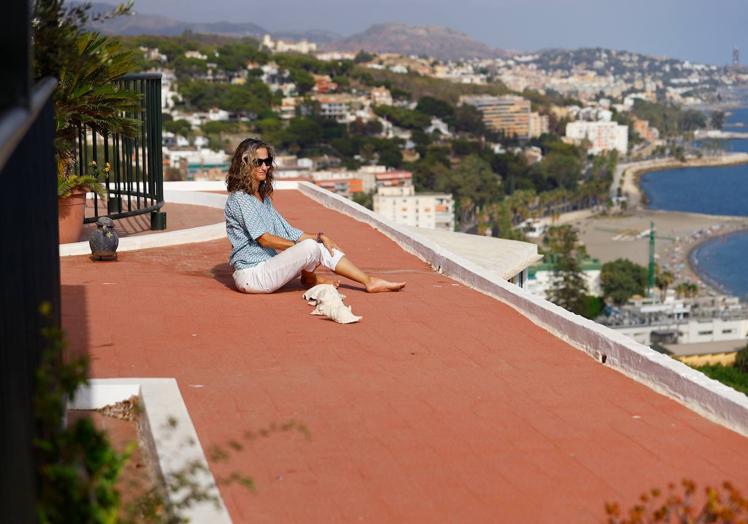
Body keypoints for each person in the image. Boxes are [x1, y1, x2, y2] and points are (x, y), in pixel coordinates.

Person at [225, 138, 407, 294]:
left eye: (268, 161)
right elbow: (265, 239)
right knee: (310, 248)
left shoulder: (262, 199)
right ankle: (313, 278)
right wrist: (305, 245)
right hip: (253, 276)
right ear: (245, 164)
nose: (265, 167)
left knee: (317, 245)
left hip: (268, 268)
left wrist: (320, 237)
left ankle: (369, 281)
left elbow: (289, 232)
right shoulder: (241, 199)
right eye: (259, 162)